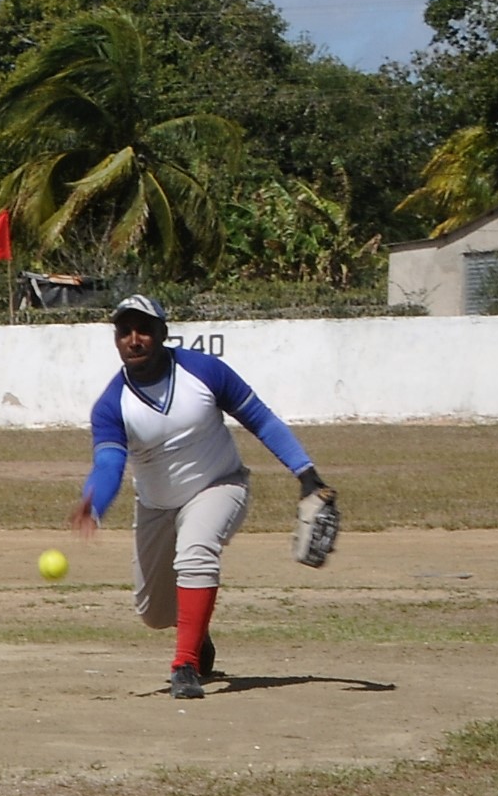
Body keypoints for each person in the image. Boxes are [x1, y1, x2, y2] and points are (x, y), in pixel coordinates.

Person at [66, 294, 334, 700]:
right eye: (125, 331)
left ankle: (185, 665)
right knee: (154, 613)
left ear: (163, 333)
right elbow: (109, 463)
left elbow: (261, 420)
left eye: (144, 329)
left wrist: (306, 474)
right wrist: (95, 502)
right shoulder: (112, 404)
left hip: (220, 484)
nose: (134, 339)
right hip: (155, 505)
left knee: (196, 552)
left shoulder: (204, 371)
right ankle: (197, 630)